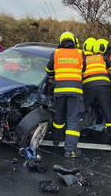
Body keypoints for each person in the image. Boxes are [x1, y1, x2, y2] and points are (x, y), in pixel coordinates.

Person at [46, 31, 86, 159]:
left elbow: (49, 70)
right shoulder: (80, 53)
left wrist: (53, 77)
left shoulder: (56, 53)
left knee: (59, 116)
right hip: (75, 91)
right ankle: (69, 151)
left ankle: (57, 140)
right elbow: (84, 69)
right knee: (73, 119)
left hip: (59, 91)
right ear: (74, 41)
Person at [82, 37, 111, 147]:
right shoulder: (101, 57)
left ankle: (76, 131)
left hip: (89, 85)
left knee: (81, 108)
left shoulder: (82, 58)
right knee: (108, 111)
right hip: (104, 85)